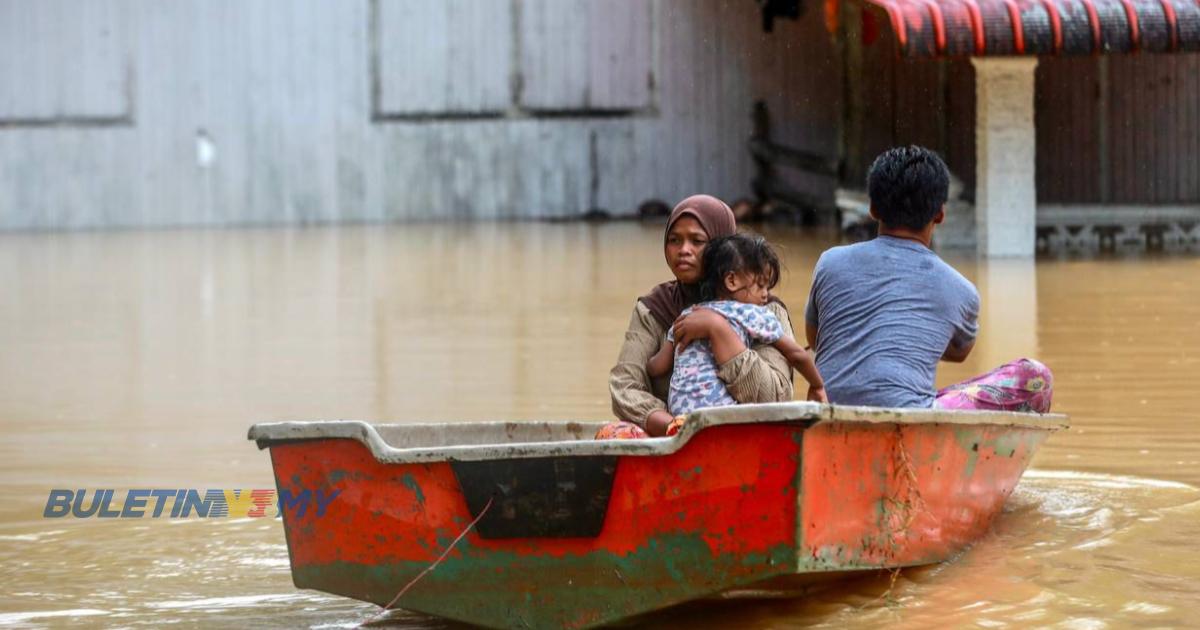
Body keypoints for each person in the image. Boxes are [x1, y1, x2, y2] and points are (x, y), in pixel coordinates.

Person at [804, 146, 1053, 412]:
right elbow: (959, 352)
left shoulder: (830, 262)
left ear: (873, 209)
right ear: (940, 214)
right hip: (908, 420)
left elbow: (817, 339)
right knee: (1036, 377)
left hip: (828, 414)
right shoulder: (961, 290)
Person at [599, 195, 796, 439]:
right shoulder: (654, 309)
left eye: (697, 241)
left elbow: (775, 397)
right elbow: (624, 387)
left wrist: (717, 329)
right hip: (670, 441)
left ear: (722, 249)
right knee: (610, 434)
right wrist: (678, 428)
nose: (683, 250)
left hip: (743, 439)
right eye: (674, 240)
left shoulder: (764, 311)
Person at [646, 234, 826, 433]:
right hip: (721, 416)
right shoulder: (753, 314)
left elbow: (657, 367)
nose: (766, 294)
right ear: (731, 280)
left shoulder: (688, 315)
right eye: (760, 285)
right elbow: (797, 355)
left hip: (680, 416)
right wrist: (817, 385)